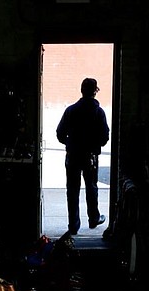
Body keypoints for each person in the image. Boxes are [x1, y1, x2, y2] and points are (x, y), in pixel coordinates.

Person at [56, 77, 110, 235]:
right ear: (95, 91)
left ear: (81, 90)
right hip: (90, 156)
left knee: (72, 190)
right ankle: (93, 218)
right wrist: (94, 146)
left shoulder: (71, 110)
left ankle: (73, 225)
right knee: (91, 187)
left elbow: (60, 133)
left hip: (73, 155)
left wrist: (70, 143)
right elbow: (105, 137)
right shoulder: (99, 112)